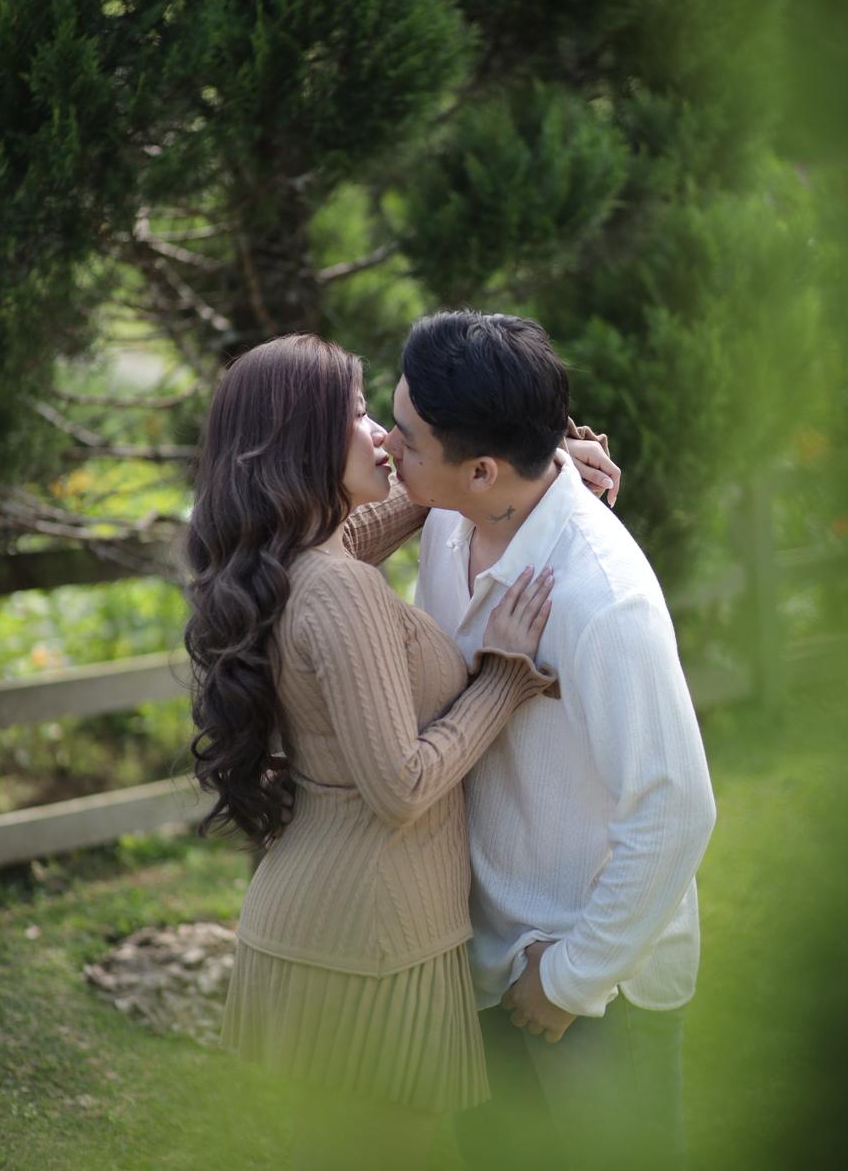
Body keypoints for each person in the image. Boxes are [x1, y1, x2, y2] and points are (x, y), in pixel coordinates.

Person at [184, 333, 609, 1171]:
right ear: (303, 440)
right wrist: (504, 679)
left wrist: (530, 456)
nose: (380, 432)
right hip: (366, 940)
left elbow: (413, 502)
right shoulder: (338, 587)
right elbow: (403, 786)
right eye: (356, 415)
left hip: (334, 921)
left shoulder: (297, 554)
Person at [377, 310, 717, 1170]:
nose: (386, 443)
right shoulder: (450, 516)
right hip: (482, 952)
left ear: (482, 468)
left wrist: (569, 980)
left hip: (594, 979)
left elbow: (677, 809)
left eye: (407, 435)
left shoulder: (602, 600)